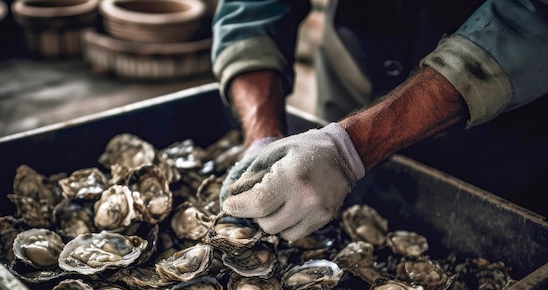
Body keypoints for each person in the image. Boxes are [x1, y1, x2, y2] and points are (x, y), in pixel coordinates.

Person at [211, 0, 548, 242]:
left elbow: (532, 17)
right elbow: (251, 10)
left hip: (502, 128)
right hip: (351, 79)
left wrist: (347, 149)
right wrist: (262, 139)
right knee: (315, 188)